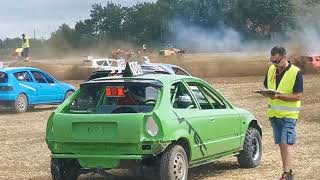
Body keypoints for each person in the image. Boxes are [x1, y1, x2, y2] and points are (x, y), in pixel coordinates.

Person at [263, 46, 303, 180]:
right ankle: (288, 172)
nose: (274, 64)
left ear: (284, 57)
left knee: (285, 143)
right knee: (281, 144)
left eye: (277, 61)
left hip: (289, 115)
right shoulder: (271, 70)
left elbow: (298, 96)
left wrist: (279, 97)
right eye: (272, 61)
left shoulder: (296, 72)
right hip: (274, 115)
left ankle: (287, 174)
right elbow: (267, 86)